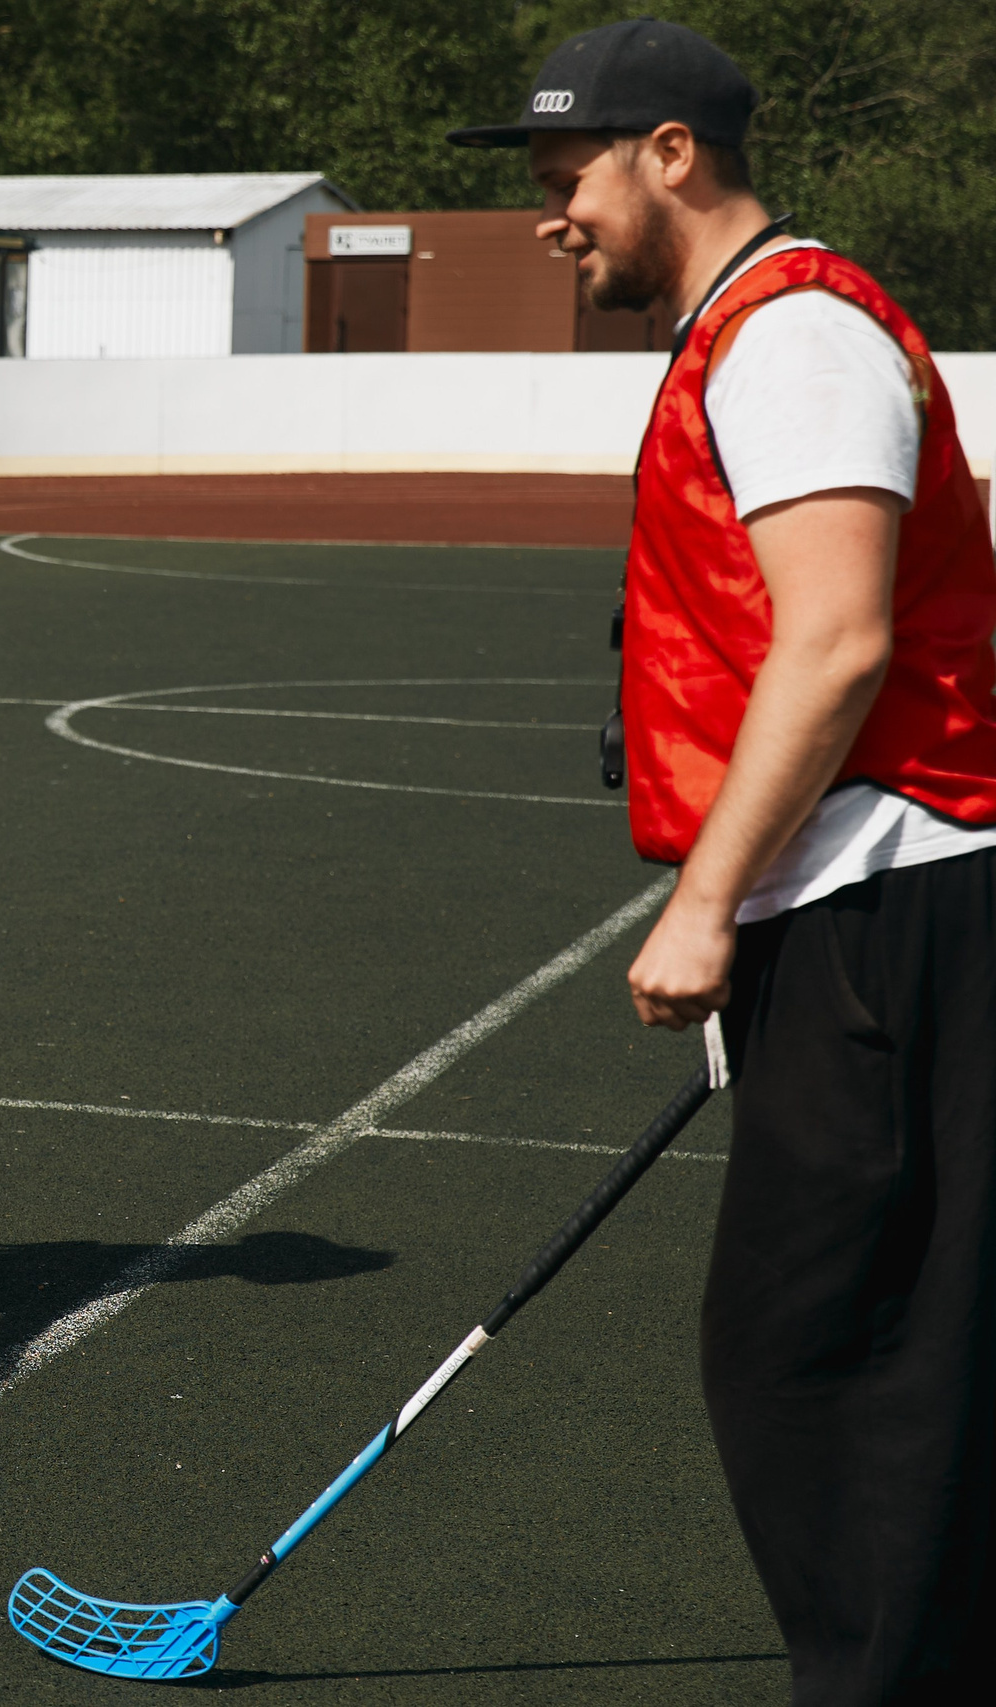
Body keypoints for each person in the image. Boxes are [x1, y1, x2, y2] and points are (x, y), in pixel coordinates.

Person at [454, 20, 996, 1702]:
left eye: (570, 179)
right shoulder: (743, 334)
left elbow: (834, 641)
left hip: (890, 896)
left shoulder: (797, 333)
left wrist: (705, 906)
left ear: (670, 153)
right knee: (874, 1338)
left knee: (824, 1352)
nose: (554, 217)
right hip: (850, 902)